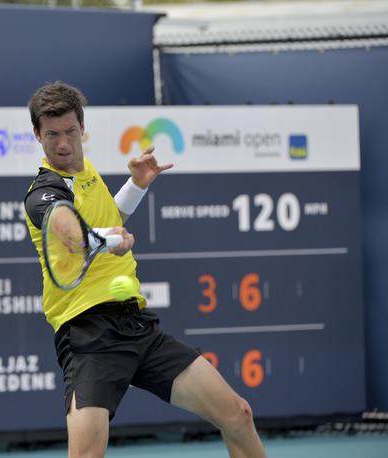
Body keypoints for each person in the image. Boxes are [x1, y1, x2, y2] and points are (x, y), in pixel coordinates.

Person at [23, 82, 267, 458]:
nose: (63, 143)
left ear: (82, 129)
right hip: (88, 337)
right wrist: (108, 241)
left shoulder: (88, 175)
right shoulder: (43, 191)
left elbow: (106, 219)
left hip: (136, 327)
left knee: (238, 414)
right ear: (38, 135)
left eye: (71, 131)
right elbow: (71, 233)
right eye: (52, 134)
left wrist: (136, 186)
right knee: (87, 454)